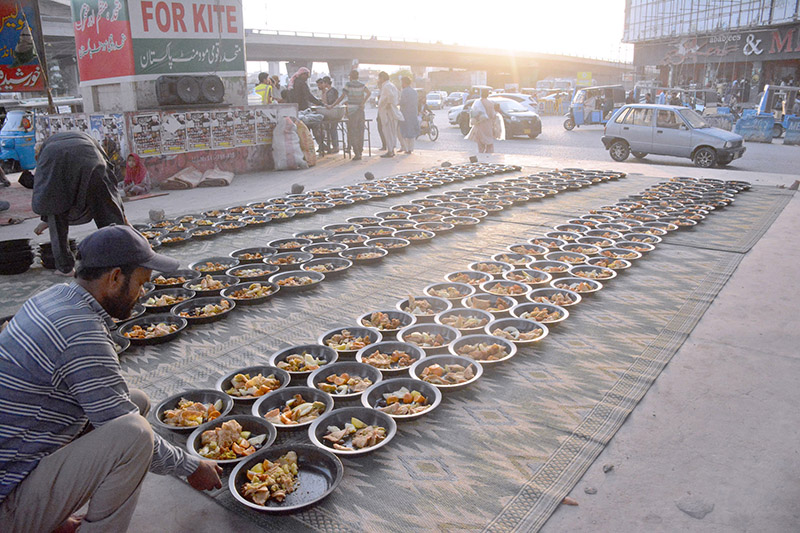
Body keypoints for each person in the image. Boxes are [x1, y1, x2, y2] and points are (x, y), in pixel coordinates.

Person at [0, 225, 222, 533]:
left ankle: (47, 518)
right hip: (6, 499)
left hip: (16, 462)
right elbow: (122, 423)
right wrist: (192, 467)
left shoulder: (56, 297)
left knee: (136, 402)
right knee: (134, 434)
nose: (142, 292)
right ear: (115, 277)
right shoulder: (80, 331)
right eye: (141, 283)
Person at [31, 132, 128, 276]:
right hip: (92, 159)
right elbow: (109, 179)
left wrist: (48, 218)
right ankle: (122, 259)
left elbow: (49, 195)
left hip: (58, 161)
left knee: (56, 213)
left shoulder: (48, 150)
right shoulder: (87, 139)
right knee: (107, 209)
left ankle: (65, 268)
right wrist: (122, 217)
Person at [330, 69, 370, 161]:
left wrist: (332, 105)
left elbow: (342, 96)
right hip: (360, 110)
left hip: (352, 111)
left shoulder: (348, 84)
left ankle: (357, 153)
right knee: (361, 131)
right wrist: (363, 102)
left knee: (352, 131)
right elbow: (369, 93)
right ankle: (360, 150)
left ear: (350, 77)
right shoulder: (361, 85)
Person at [465, 88, 503, 154]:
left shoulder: (477, 102)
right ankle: (489, 153)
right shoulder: (490, 103)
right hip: (488, 124)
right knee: (488, 139)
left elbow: (473, 112)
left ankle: (481, 153)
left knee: (480, 139)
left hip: (479, 124)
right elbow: (491, 115)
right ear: (488, 95)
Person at [377, 71, 400, 158]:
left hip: (387, 112)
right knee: (391, 131)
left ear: (382, 78)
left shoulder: (387, 86)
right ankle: (391, 150)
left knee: (388, 131)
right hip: (389, 111)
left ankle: (390, 151)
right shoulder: (390, 85)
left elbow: (390, 96)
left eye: (379, 78)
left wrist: (388, 105)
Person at [318, 76, 340, 154]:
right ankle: (332, 146)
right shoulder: (331, 91)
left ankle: (335, 146)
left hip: (332, 112)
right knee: (330, 129)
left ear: (326, 83)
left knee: (333, 129)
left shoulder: (331, 91)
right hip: (333, 112)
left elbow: (328, 102)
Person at [398, 76, 420, 154]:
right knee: (412, 131)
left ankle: (407, 149)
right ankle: (411, 148)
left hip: (405, 114)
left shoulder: (404, 91)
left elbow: (402, 102)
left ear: (404, 83)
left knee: (405, 131)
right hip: (413, 113)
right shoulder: (414, 91)